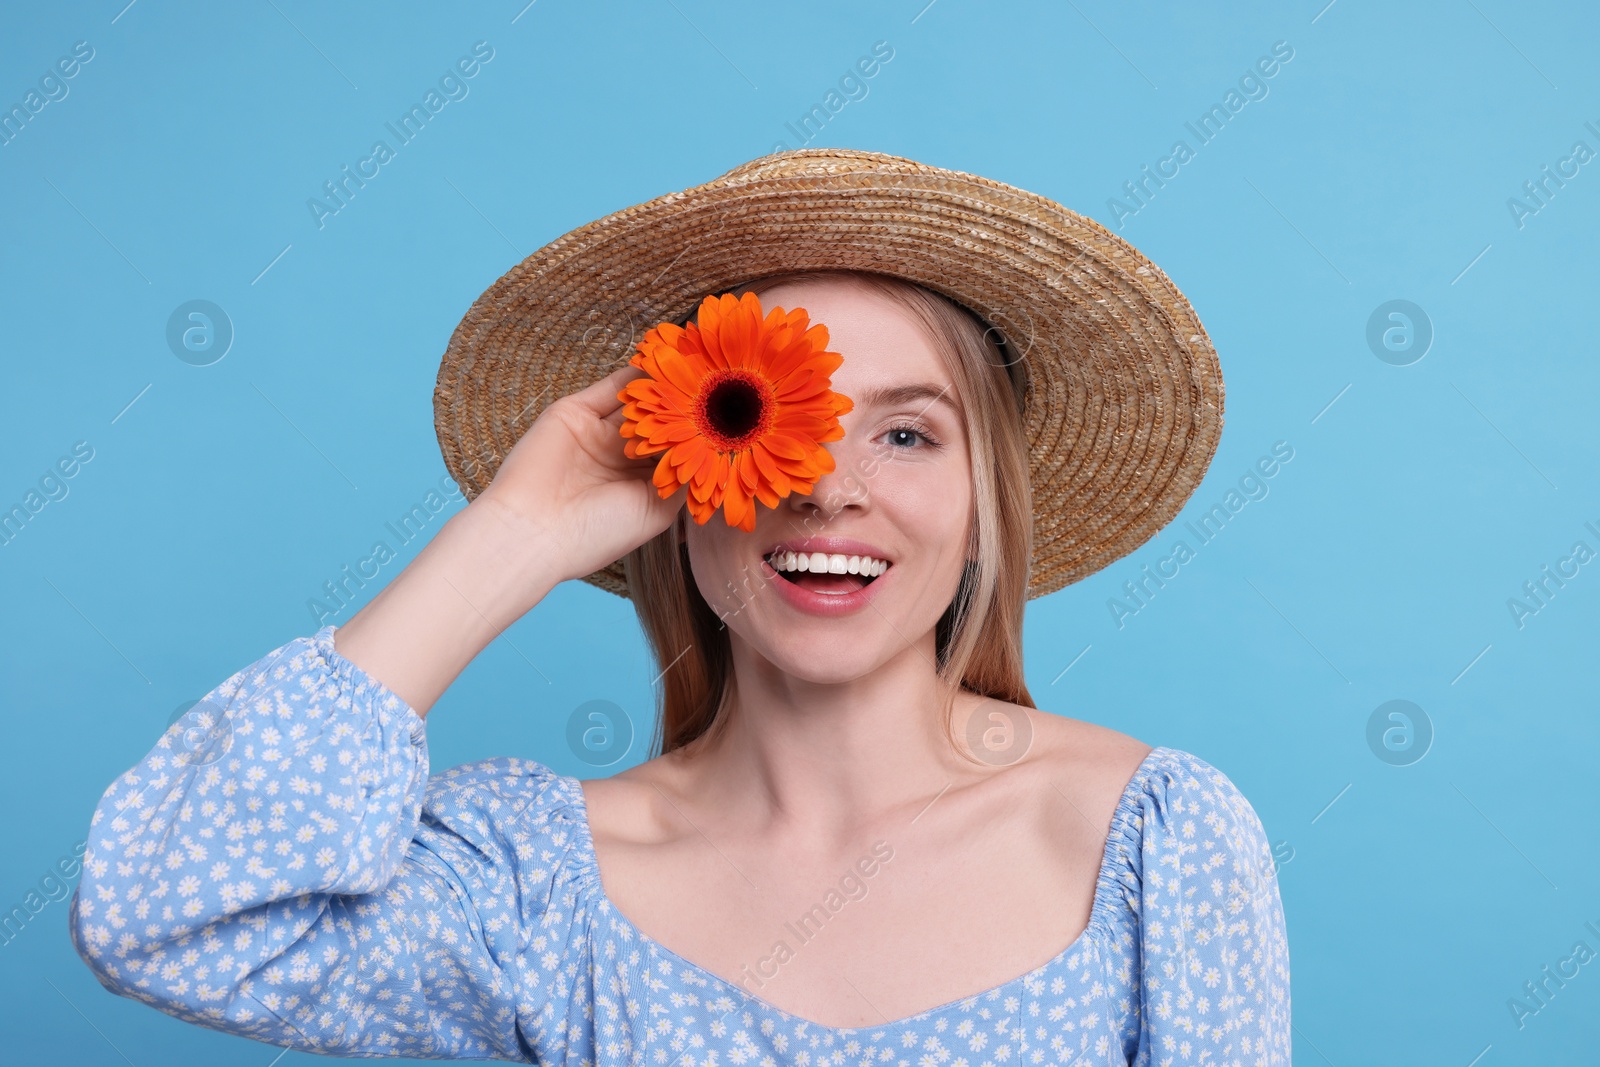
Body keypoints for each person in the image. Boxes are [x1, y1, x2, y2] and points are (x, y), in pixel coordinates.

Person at [69, 149, 1290, 1063]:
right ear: (676, 479)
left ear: (985, 501)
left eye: (907, 431)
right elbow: (164, 914)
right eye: (762, 420)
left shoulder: (1150, 840)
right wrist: (514, 535)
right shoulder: (534, 879)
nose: (825, 487)